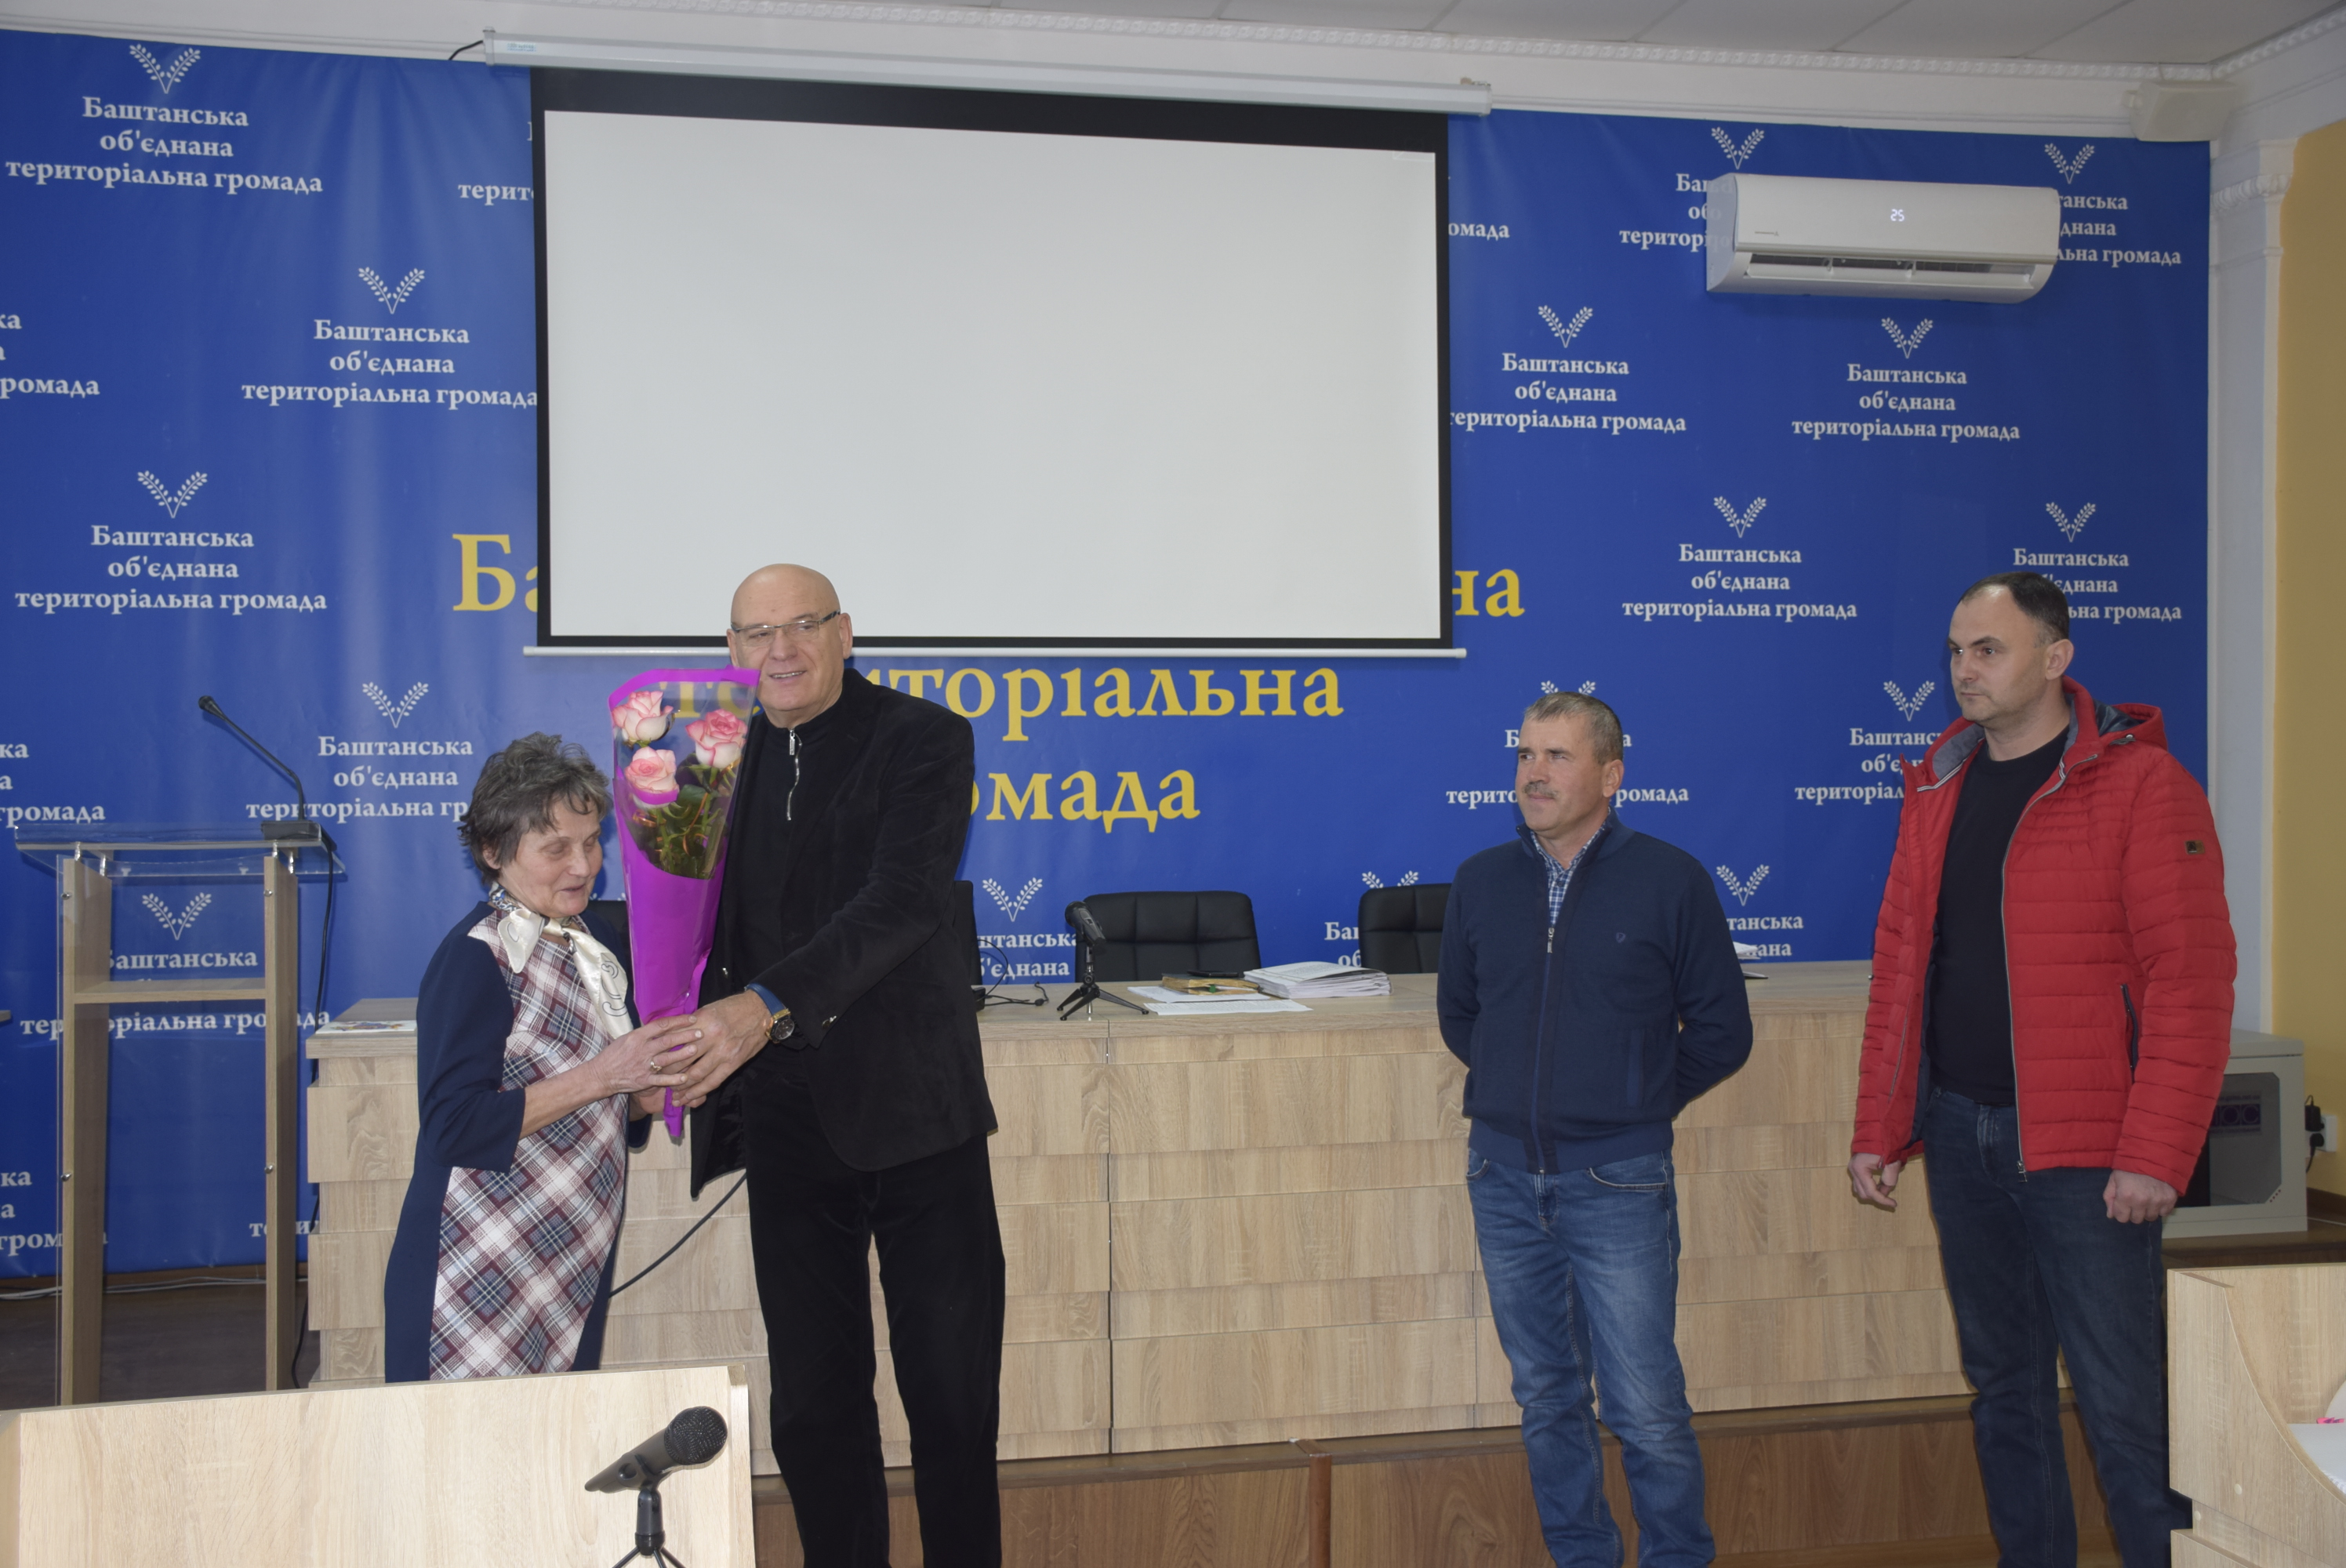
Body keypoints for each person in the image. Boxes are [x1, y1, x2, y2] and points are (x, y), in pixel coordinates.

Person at [1847, 572, 2235, 1568]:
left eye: (1988, 649)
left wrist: (2155, 1153)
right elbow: (1902, 967)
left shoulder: (2144, 786)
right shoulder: (1938, 785)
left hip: (2090, 1151)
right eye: (1954, 650)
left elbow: (2190, 982)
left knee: (2126, 1408)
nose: (1963, 669)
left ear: (2056, 658)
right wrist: (1880, 1125)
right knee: (2005, 1394)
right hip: (1960, 1133)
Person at [668, 564, 1004, 1568]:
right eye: (756, 632)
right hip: (785, 1121)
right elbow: (689, 926)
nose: (780, 648)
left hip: (917, 1117)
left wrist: (762, 1005)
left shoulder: (923, 737)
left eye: (803, 624)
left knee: (951, 1398)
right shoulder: (705, 761)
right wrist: (665, 1032)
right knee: (814, 1410)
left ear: (845, 633)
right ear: (732, 649)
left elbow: (902, 900)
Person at [1438, 690, 1752, 1568]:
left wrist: (1633, 1098)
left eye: (1557, 756)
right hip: (1502, 1178)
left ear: (1611, 775)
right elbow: (1462, 1017)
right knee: (1546, 1397)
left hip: (1619, 1181)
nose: (1533, 773)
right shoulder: (1480, 880)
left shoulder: (1669, 879)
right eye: (1524, 755)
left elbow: (1723, 1030)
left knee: (1645, 1405)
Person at [384, 734, 703, 1383]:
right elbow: (454, 1127)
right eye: (556, 848)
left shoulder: (596, 943)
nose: (582, 866)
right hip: (476, 1265)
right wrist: (604, 1076)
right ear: (493, 850)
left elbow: (601, 1102)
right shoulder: (476, 956)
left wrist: (646, 1096)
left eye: (591, 843)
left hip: (571, 1257)